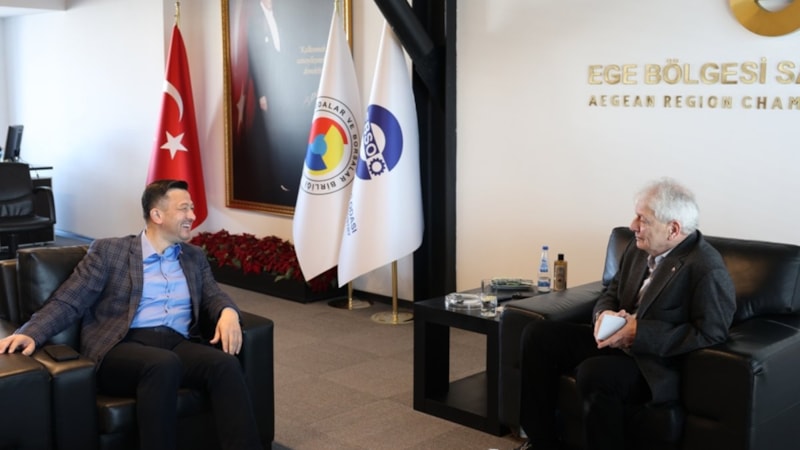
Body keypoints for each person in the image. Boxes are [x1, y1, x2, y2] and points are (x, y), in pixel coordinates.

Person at [0, 179, 263, 450]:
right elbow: (70, 300)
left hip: (176, 342)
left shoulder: (193, 257)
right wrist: (31, 332)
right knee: (162, 364)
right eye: (184, 208)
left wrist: (228, 312)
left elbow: (213, 294)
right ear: (157, 215)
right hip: (122, 345)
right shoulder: (110, 251)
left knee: (224, 365)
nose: (192, 216)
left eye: (192, 208)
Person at [515, 178, 736, 450]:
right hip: (614, 340)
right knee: (538, 335)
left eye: (643, 219)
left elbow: (712, 332)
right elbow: (611, 290)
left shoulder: (706, 267)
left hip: (652, 362)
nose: (633, 226)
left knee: (594, 373)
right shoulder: (637, 248)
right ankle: (541, 442)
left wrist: (639, 333)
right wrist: (603, 314)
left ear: (673, 229)